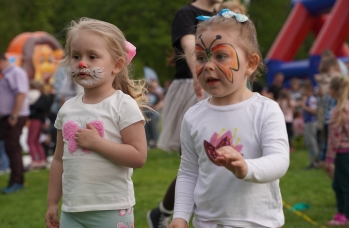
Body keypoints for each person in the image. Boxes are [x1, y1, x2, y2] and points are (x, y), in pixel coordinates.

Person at [169, 9, 289, 228]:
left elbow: (280, 161)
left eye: (220, 56)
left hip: (257, 222)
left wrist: (246, 168)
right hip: (207, 222)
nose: (208, 66)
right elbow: (188, 171)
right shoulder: (193, 115)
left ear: (251, 64)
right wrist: (180, 215)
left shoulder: (266, 110)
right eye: (201, 57)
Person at [45, 18, 148, 228]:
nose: (82, 63)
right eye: (76, 56)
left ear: (117, 64)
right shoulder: (66, 109)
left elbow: (138, 156)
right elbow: (58, 160)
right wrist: (52, 202)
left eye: (92, 56)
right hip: (72, 211)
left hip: (111, 209)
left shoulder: (122, 105)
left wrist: (96, 143)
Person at [147, 1, 223, 227]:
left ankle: (163, 212)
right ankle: (171, 214)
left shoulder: (222, 14)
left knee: (215, 161)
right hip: (193, 88)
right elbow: (191, 46)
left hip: (219, 85)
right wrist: (199, 75)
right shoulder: (186, 13)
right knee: (196, 163)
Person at [0, 53, 29, 194]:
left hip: (14, 117)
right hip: (11, 116)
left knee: (13, 149)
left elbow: (21, 94)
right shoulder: (8, 74)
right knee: (12, 149)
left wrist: (14, 115)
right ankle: (15, 180)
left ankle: (17, 181)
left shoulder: (15, 72)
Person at [325, 76, 349, 226]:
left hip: (342, 154)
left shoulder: (338, 111)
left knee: (344, 185)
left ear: (333, 91)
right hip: (344, 153)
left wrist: (329, 159)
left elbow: (334, 139)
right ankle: (341, 212)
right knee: (338, 184)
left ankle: (345, 215)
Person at [27, 80, 48, 169]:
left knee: (30, 141)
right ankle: (42, 160)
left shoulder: (32, 94)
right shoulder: (43, 96)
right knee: (37, 141)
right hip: (41, 121)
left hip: (34, 120)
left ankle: (35, 161)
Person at [301, 80, 319, 169]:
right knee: (308, 142)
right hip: (307, 122)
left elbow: (314, 111)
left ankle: (315, 162)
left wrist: (305, 107)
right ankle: (312, 161)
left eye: (304, 89)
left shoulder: (312, 98)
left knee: (312, 142)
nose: (302, 91)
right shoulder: (307, 98)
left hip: (312, 122)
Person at [144, 80, 163, 148]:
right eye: (150, 87)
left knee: (154, 127)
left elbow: (161, 103)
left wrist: (155, 107)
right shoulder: (144, 94)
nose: (151, 89)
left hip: (154, 112)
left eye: (152, 87)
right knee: (146, 128)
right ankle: (148, 142)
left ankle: (155, 141)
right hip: (145, 112)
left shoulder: (157, 94)